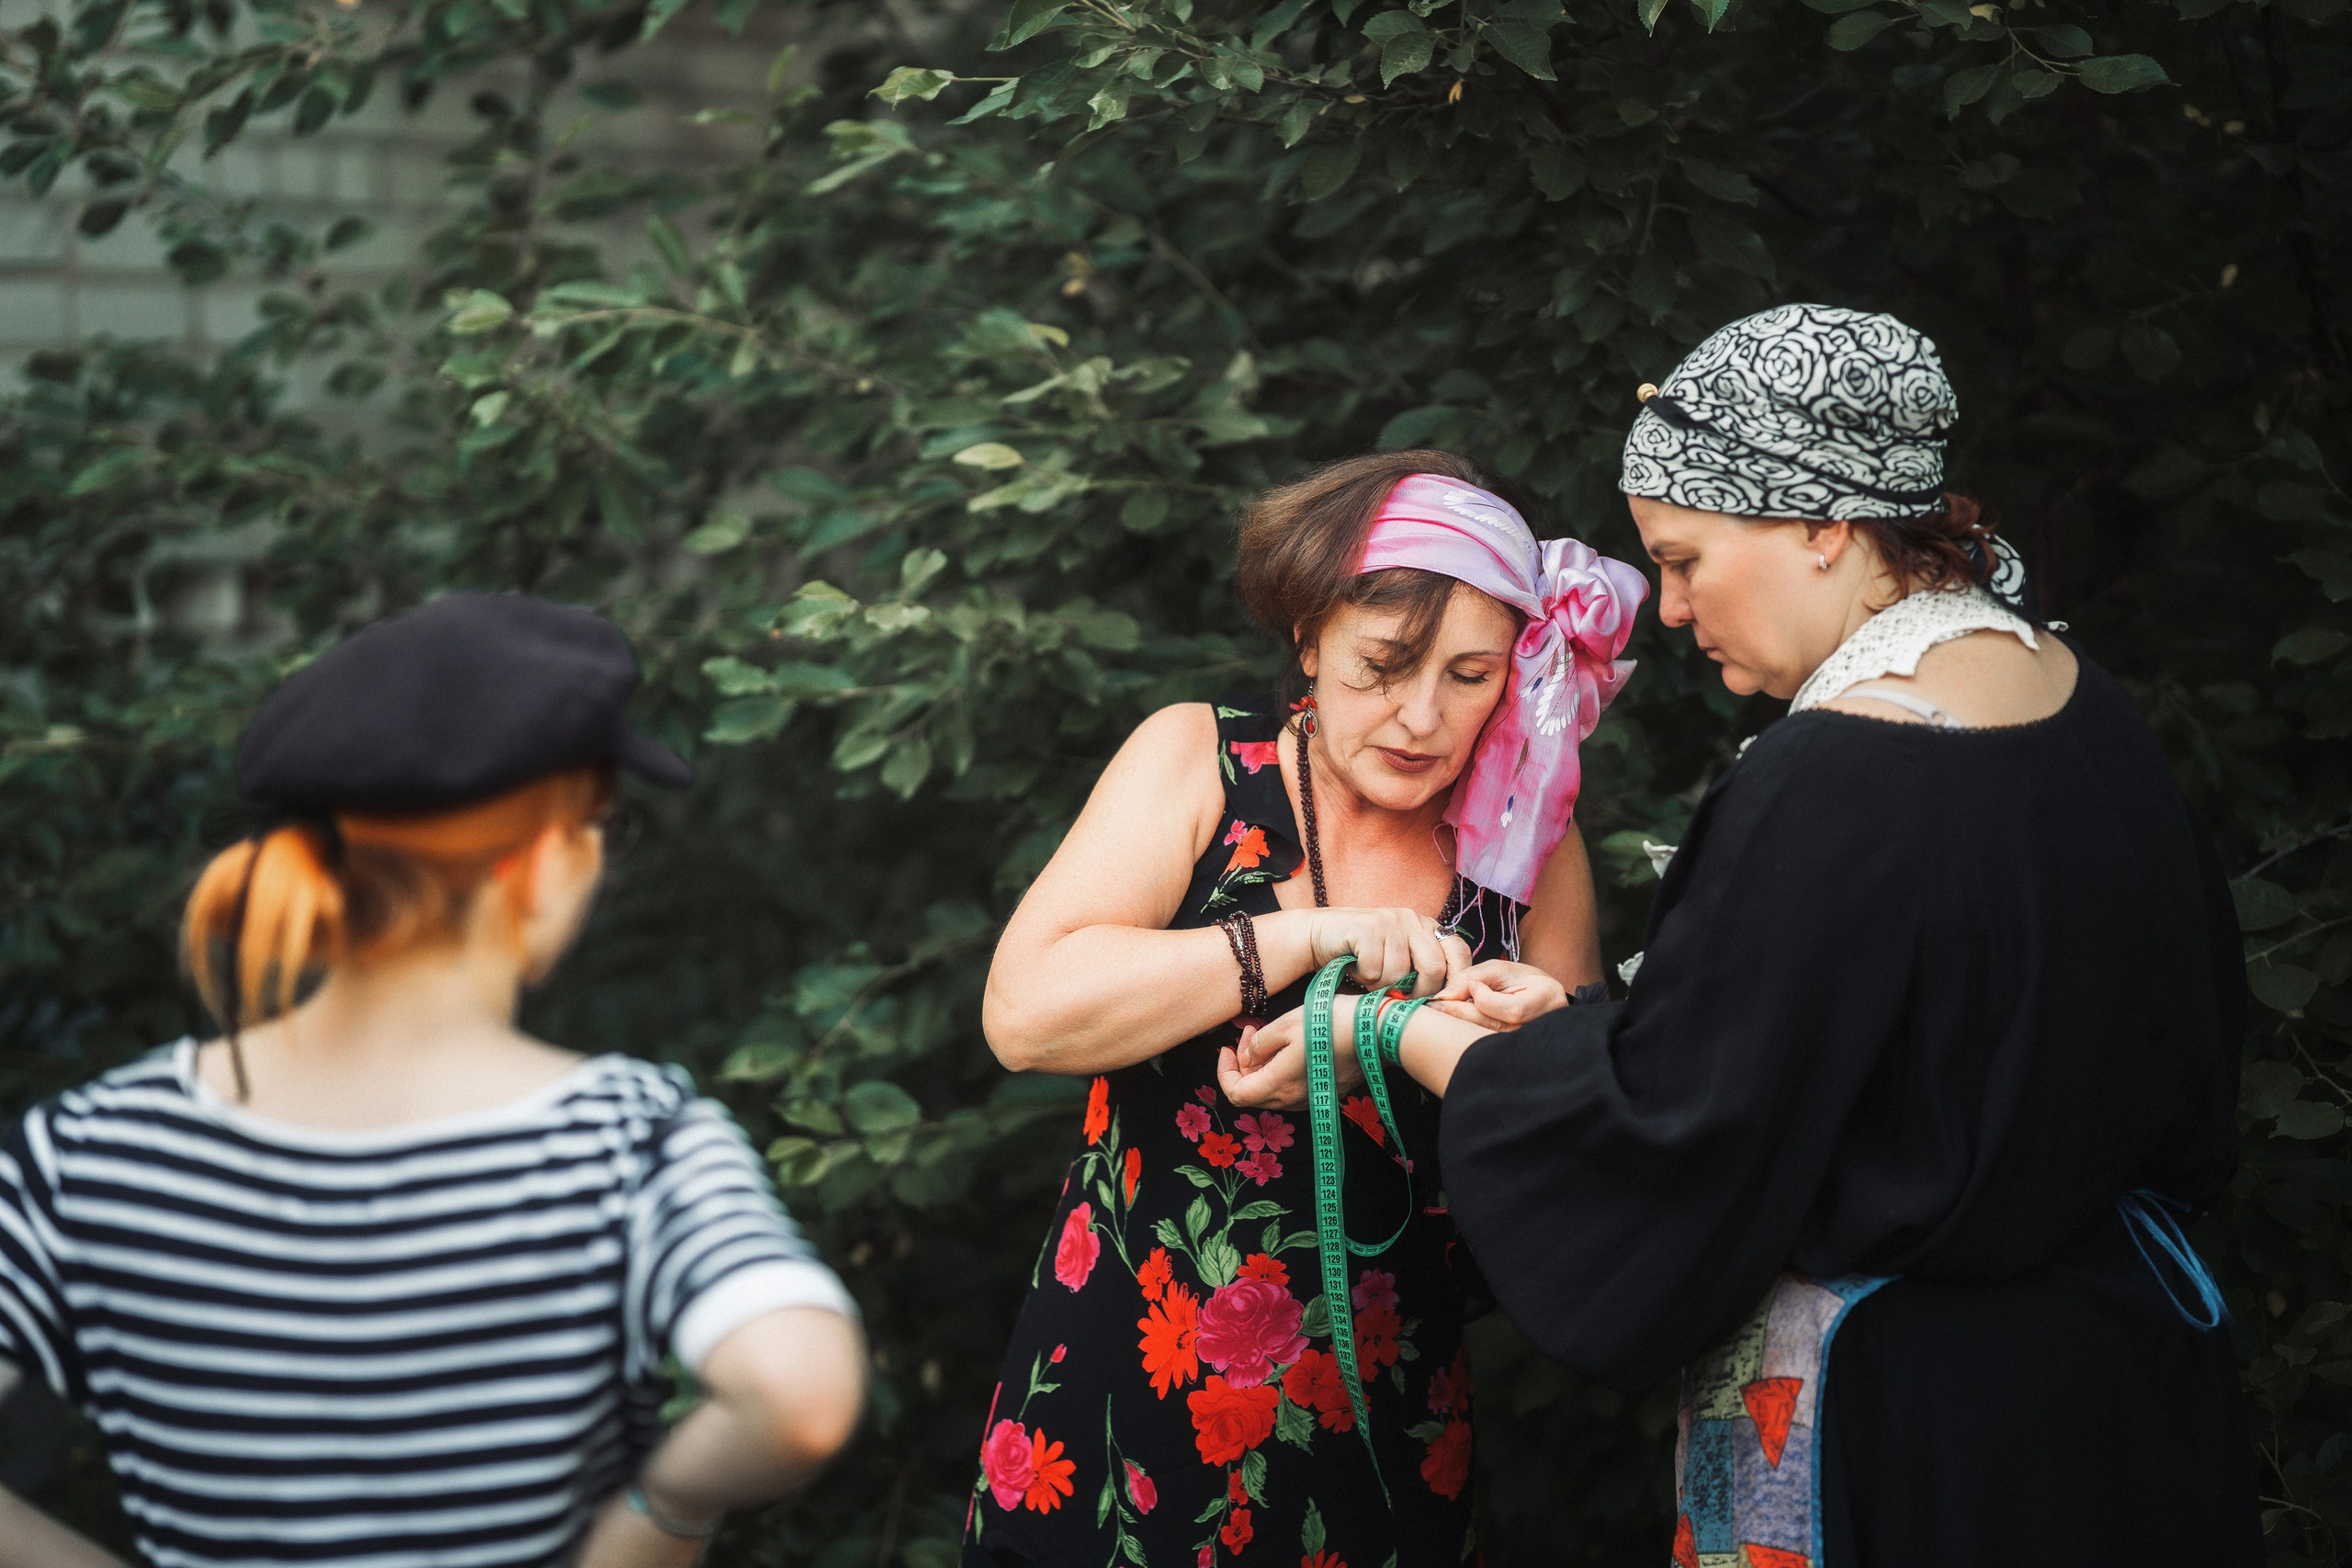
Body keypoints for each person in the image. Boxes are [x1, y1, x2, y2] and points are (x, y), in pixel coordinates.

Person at [1229, 305, 2262, 1565]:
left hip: (1910, 1432)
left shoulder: (1840, 772)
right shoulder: (2076, 706)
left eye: (1684, 557)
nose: (1664, 606)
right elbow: (1853, 1062)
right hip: (2122, 1383)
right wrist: (1579, 1028)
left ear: (1822, 527)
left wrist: (1392, 1028)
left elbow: (1678, 1138)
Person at [0, 593, 866, 1568]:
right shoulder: (628, 1141)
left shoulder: (90, 1148)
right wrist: (665, 1509)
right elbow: (800, 1396)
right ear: (544, 861)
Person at [962, 451, 1645, 1567]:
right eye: (1385, 664)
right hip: (1111, 1413)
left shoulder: (1527, 843)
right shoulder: (1200, 760)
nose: (1422, 716)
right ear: (1310, 637)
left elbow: (1582, 1169)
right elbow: (1026, 1013)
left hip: (1384, 1429)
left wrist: (1526, 1044)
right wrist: (1302, 938)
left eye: (1471, 677)